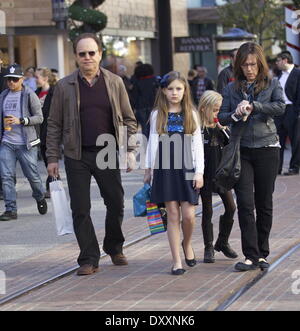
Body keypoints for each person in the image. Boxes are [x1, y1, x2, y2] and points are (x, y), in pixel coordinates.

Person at [46, 33, 137, 276]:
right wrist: (52, 157)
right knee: (81, 208)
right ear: (76, 57)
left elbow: (129, 119)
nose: (87, 57)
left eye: (91, 53)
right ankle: (88, 257)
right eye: (82, 54)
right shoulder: (64, 86)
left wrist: (129, 149)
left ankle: (114, 246)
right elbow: (53, 124)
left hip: (107, 150)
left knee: (116, 202)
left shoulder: (114, 82)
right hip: (77, 154)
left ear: (99, 54)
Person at [218, 42, 285, 272]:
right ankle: (251, 255)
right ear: (238, 65)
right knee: (245, 203)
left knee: (264, 202)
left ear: (260, 64)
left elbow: (280, 107)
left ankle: (263, 253)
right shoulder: (230, 88)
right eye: (245, 65)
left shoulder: (272, 84)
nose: (249, 69)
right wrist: (236, 113)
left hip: (268, 147)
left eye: (253, 64)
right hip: (242, 150)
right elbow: (222, 117)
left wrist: (255, 106)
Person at [144, 71, 204, 275]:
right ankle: (177, 260)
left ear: (185, 90)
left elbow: (198, 144)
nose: (174, 93)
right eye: (170, 89)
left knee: (188, 215)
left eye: (178, 88)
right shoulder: (156, 114)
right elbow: (152, 143)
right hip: (164, 168)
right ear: (163, 91)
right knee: (172, 214)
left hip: (187, 166)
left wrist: (199, 172)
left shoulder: (191, 113)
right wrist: (149, 171)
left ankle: (187, 244)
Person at [0, 64, 47, 221]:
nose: (11, 83)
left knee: (32, 176)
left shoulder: (29, 95)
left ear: (21, 79)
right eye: (8, 80)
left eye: (14, 79)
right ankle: (10, 209)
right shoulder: (3, 96)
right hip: (7, 142)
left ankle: (40, 196)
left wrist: (22, 120)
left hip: (26, 143)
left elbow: (39, 117)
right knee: (6, 176)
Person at [198, 90, 238, 263]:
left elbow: (229, 146)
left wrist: (223, 130)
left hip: (220, 173)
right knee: (207, 209)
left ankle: (222, 241)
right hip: (204, 174)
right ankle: (208, 246)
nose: (216, 114)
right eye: (214, 110)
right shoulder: (197, 127)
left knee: (231, 206)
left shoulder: (219, 126)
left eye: (218, 110)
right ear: (203, 108)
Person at [275, 51, 300, 175]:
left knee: (295, 140)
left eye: (278, 60)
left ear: (285, 60)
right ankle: (277, 168)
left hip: (292, 110)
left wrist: (297, 112)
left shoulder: (298, 73)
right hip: (279, 111)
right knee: (278, 140)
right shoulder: (279, 75)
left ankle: (294, 167)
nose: (276, 63)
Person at [35, 67, 58, 197]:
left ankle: (52, 187)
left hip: (51, 131)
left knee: (51, 159)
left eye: (37, 77)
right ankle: (54, 183)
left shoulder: (54, 92)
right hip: (39, 131)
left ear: (45, 78)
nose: (35, 80)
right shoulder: (35, 93)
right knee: (46, 160)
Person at [131, 63, 157, 138]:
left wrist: (134, 107)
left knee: (144, 127)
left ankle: (146, 145)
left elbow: (134, 96)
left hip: (141, 107)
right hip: (153, 105)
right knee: (154, 126)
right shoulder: (154, 80)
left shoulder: (137, 82)